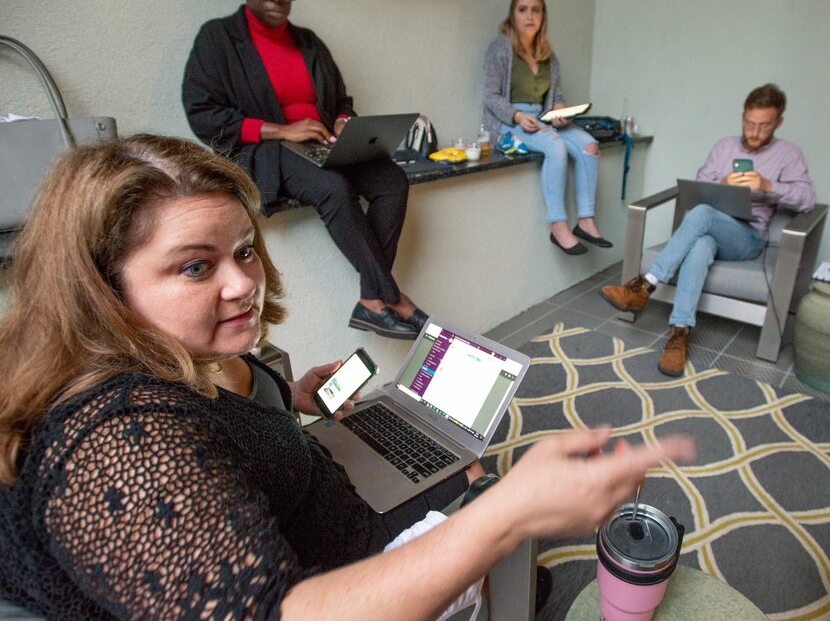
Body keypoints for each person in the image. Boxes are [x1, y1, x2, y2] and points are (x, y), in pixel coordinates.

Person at [0, 135, 695, 619]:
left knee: (465, 471)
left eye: (244, 249)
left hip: (327, 499)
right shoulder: (116, 446)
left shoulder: (179, 352)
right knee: (513, 546)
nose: (243, 282)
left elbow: (223, 431)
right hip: (331, 572)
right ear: (102, 288)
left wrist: (289, 400)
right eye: (195, 265)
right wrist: (504, 518)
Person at [182, 0, 425, 340]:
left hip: (323, 144)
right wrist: (281, 130)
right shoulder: (218, 40)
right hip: (268, 152)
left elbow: (342, 100)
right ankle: (393, 297)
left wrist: (345, 121)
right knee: (333, 188)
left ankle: (371, 299)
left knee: (392, 181)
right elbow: (202, 113)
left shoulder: (309, 41)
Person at [600, 84, 816, 376]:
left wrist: (767, 186)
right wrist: (722, 184)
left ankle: (644, 286)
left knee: (702, 215)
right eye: (749, 124)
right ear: (743, 117)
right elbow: (700, 188)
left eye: (763, 127)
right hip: (710, 230)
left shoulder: (788, 154)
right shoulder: (724, 147)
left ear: (778, 123)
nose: (754, 132)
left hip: (748, 239)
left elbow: (807, 200)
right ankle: (679, 335)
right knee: (700, 244)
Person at [483, 0, 611, 256]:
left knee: (589, 145)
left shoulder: (548, 56)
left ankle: (586, 220)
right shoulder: (500, 48)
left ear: (543, 16)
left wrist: (560, 110)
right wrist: (518, 116)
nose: (529, 16)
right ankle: (557, 224)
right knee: (556, 147)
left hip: (542, 120)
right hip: (510, 123)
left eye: (536, 10)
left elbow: (557, 96)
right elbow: (491, 97)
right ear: (513, 15)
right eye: (522, 10)